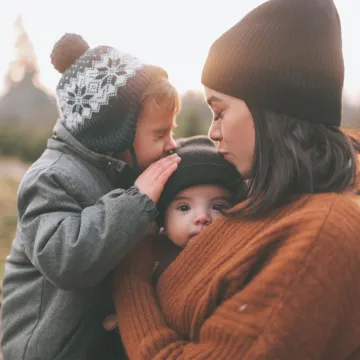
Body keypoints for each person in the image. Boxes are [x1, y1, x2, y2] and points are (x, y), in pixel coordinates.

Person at [112, 0, 360, 359]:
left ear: (272, 109)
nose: (212, 132)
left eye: (220, 111)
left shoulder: (321, 235)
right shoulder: (272, 199)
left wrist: (131, 282)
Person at [0, 33, 181, 360]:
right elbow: (64, 259)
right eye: (160, 133)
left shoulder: (119, 170)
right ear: (115, 134)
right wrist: (136, 201)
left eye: (173, 130)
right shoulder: (51, 177)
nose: (173, 144)